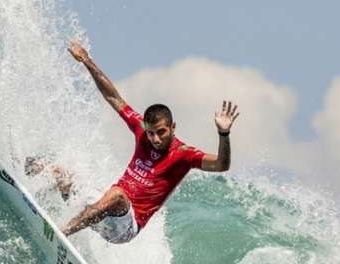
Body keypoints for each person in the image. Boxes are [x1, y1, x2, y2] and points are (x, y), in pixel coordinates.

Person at [59, 40, 239, 244]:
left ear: (173, 127)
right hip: (102, 213)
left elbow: (222, 165)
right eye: (151, 133)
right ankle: (23, 172)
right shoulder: (140, 129)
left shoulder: (184, 154)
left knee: (117, 195)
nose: (155, 139)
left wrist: (223, 134)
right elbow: (112, 97)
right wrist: (86, 60)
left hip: (125, 227)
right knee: (60, 174)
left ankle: (62, 232)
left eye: (161, 132)